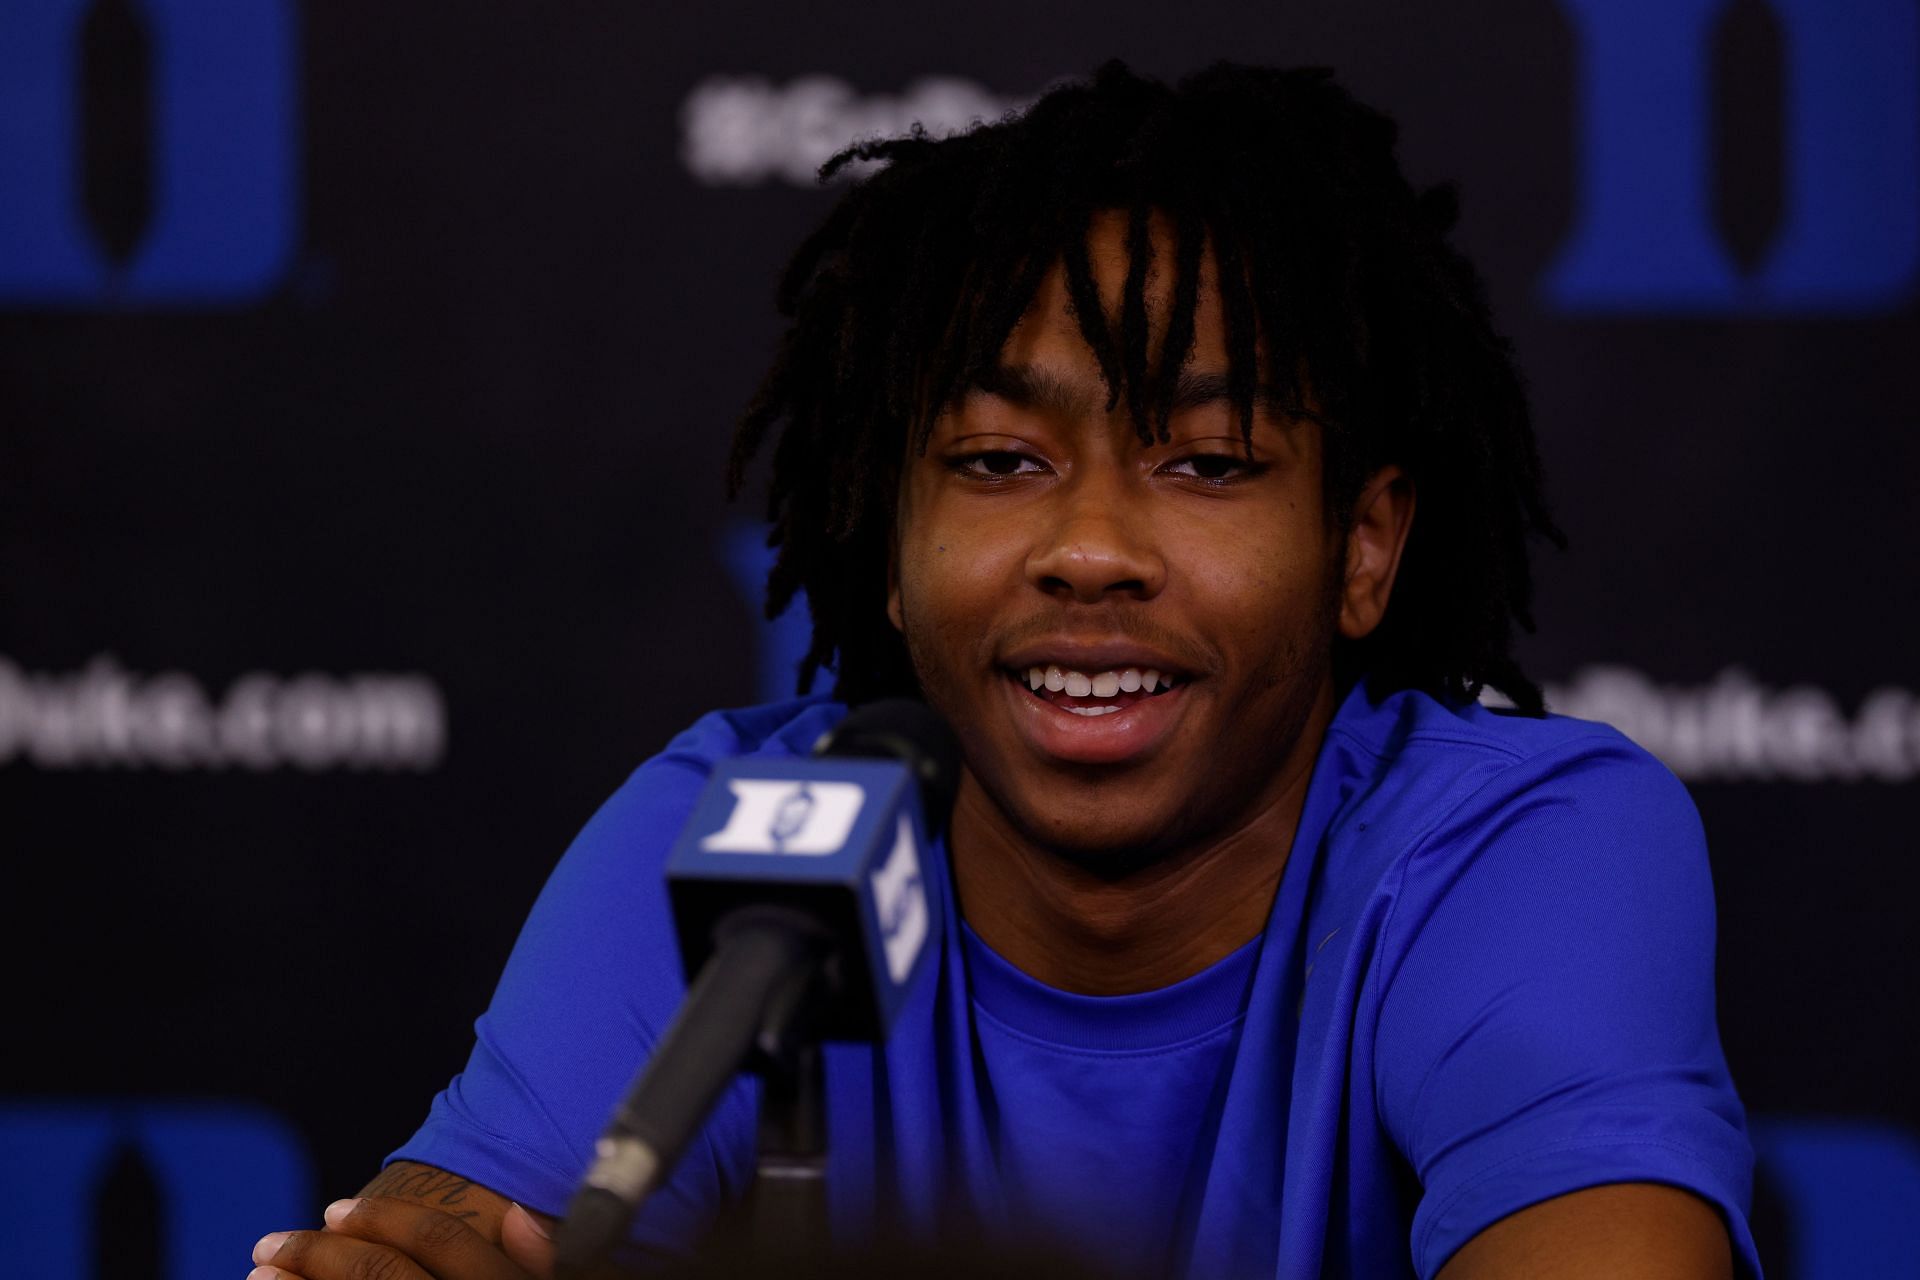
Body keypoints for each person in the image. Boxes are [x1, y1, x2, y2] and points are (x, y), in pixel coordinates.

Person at [248, 61, 1760, 1280]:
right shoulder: (748, 827)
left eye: (1208, 462)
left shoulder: (1514, 846)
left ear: (1363, 549)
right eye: (996, 459)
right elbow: (459, 1231)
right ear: (891, 544)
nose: (1089, 546)